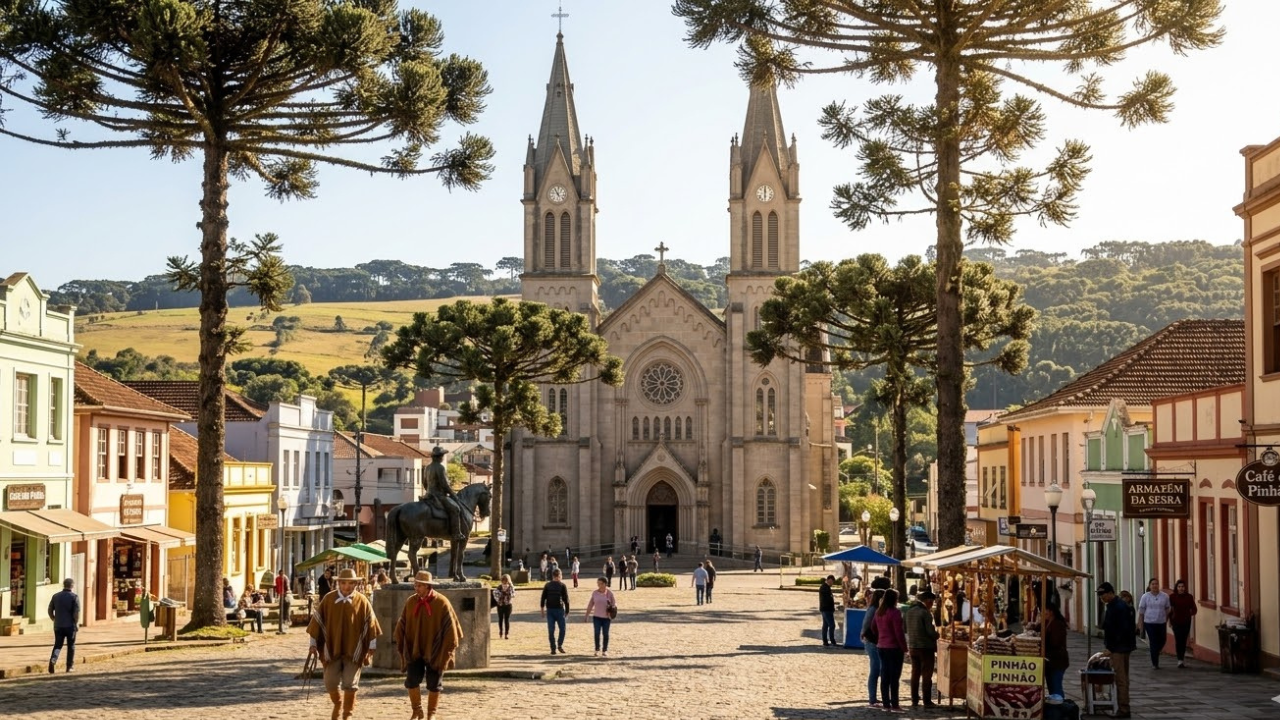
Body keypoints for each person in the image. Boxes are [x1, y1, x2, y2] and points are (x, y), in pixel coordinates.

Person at [308, 568, 382, 720]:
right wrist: (313, 644)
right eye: (343, 583)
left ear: (355, 584)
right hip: (332, 649)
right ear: (338, 583)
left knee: (350, 683)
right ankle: (337, 703)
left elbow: (371, 623)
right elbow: (317, 622)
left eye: (350, 583)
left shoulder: (362, 601)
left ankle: (347, 714)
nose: (346, 586)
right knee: (330, 682)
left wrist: (371, 646)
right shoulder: (328, 599)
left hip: (353, 649)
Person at [394, 571, 461, 720]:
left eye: (419, 585)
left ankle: (432, 713)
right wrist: (400, 637)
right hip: (414, 649)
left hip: (436, 650)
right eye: (415, 584)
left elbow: (452, 630)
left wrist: (445, 650)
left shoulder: (442, 602)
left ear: (428, 586)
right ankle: (417, 710)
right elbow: (403, 622)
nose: (416, 588)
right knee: (411, 681)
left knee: (434, 683)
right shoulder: (411, 602)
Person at [1098, 581, 1135, 718]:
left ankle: (1124, 709)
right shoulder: (1114, 606)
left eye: (1103, 595)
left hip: (1119, 648)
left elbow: (1121, 630)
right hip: (1122, 646)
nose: (1101, 598)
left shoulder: (1119, 607)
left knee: (1121, 679)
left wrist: (1111, 648)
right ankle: (1123, 707)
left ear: (1110, 593)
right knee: (1123, 678)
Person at [420, 445, 466, 541]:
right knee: (455, 509)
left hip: (428, 494)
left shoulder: (427, 467)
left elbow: (424, 483)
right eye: (442, 456)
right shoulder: (440, 467)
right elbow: (444, 484)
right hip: (438, 495)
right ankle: (456, 533)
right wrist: (453, 494)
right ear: (440, 457)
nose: (443, 457)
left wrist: (429, 491)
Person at [873, 588, 909, 712]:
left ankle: (885, 704)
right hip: (893, 648)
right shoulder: (895, 613)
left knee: (885, 676)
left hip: (881, 646)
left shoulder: (879, 611)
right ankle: (894, 704)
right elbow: (899, 633)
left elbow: (873, 627)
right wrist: (904, 648)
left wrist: (881, 636)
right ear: (894, 599)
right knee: (894, 677)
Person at [904, 589, 939, 708]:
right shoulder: (925, 613)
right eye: (932, 602)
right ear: (928, 601)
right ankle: (927, 700)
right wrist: (937, 635)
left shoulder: (909, 611)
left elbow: (905, 628)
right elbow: (930, 632)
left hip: (913, 646)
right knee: (926, 675)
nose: (932, 605)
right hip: (925, 647)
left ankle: (914, 698)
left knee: (915, 673)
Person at [47, 578, 79, 674]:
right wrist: (75, 623)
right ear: (72, 586)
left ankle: (53, 659)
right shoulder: (74, 597)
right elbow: (76, 613)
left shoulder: (56, 596)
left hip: (58, 625)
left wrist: (54, 619)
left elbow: (50, 610)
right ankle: (69, 666)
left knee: (58, 645)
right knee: (71, 646)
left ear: (64, 585)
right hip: (70, 625)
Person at [1138, 577, 1171, 669]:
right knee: (1153, 641)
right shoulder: (1145, 596)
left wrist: (1166, 619)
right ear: (1149, 586)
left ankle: (1156, 651)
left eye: (1156, 584)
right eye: (1153, 584)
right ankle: (1155, 663)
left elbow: (1167, 608)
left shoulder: (1164, 596)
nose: (1155, 586)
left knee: (1162, 640)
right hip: (1149, 622)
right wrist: (1140, 624)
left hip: (1161, 622)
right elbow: (1141, 611)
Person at [862, 589, 886, 708]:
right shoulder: (873, 609)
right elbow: (866, 624)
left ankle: (875, 697)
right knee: (875, 670)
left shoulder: (878, 609)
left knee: (878, 670)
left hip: (876, 641)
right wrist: (864, 635)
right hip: (872, 642)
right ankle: (872, 698)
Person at [540, 567, 570, 655]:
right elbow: (543, 598)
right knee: (552, 630)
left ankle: (559, 645)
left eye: (558, 576)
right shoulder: (548, 585)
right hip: (551, 610)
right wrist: (542, 610)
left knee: (561, 629)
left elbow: (566, 599)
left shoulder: (562, 586)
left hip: (559, 610)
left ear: (560, 576)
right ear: (553, 576)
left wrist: (567, 611)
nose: (557, 578)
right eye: (556, 576)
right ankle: (553, 648)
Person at [1042, 603, 1070, 701]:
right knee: (1052, 687)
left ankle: (1060, 709)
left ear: (1051, 612)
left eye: (1045, 610)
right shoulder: (1048, 622)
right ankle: (1055, 705)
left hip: (1057, 660)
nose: (1043, 613)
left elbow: (1055, 642)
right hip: (1050, 661)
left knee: (1056, 687)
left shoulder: (1057, 624)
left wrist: (1044, 642)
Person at [1168, 579, 1197, 667]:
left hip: (1186, 621)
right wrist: (1170, 620)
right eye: (1179, 587)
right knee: (1178, 639)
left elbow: (1194, 609)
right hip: (1176, 621)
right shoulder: (1172, 597)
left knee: (1184, 640)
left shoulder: (1189, 597)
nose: (1181, 588)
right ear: (1176, 588)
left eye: (1183, 587)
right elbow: (1170, 610)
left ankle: (1182, 658)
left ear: (1185, 588)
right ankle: (1179, 659)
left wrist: (1190, 614)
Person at [585, 576, 617, 657]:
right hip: (596, 617)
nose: (599, 585)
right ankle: (597, 649)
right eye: (598, 583)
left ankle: (605, 650)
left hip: (606, 618)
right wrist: (587, 615)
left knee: (605, 634)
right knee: (597, 633)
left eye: (600, 583)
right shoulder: (595, 593)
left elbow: (614, 604)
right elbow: (590, 604)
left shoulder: (610, 593)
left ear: (605, 584)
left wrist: (612, 608)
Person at [493, 574, 515, 639]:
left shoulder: (511, 587)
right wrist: (500, 596)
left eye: (506, 580)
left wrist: (508, 594)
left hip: (508, 605)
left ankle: (506, 634)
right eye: (503, 580)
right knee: (500, 619)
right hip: (500, 605)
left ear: (508, 580)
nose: (504, 582)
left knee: (506, 619)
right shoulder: (499, 587)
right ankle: (501, 632)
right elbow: (495, 594)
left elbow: (513, 594)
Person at [818, 574, 837, 646]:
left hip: (826, 609)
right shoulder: (824, 587)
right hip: (826, 609)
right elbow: (827, 599)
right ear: (829, 580)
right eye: (832, 581)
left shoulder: (827, 587)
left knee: (825, 625)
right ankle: (832, 640)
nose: (832, 583)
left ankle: (825, 641)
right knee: (832, 625)